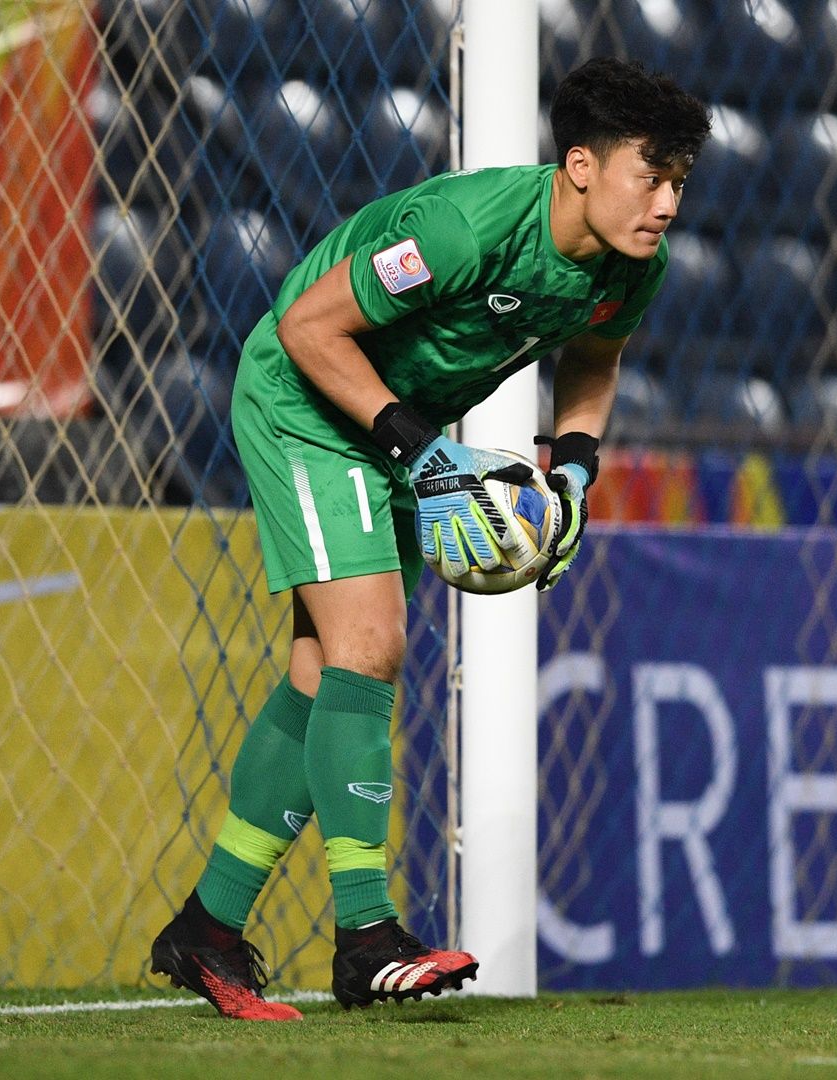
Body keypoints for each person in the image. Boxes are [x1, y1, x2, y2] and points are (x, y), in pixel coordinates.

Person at [150, 57, 710, 1020]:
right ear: (580, 166)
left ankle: (208, 927)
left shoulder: (634, 264)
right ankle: (366, 936)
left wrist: (574, 471)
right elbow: (308, 330)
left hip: (402, 434)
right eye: (650, 176)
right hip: (309, 405)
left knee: (324, 674)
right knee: (371, 644)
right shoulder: (463, 229)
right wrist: (421, 449)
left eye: (680, 183)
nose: (666, 204)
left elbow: (596, 354)